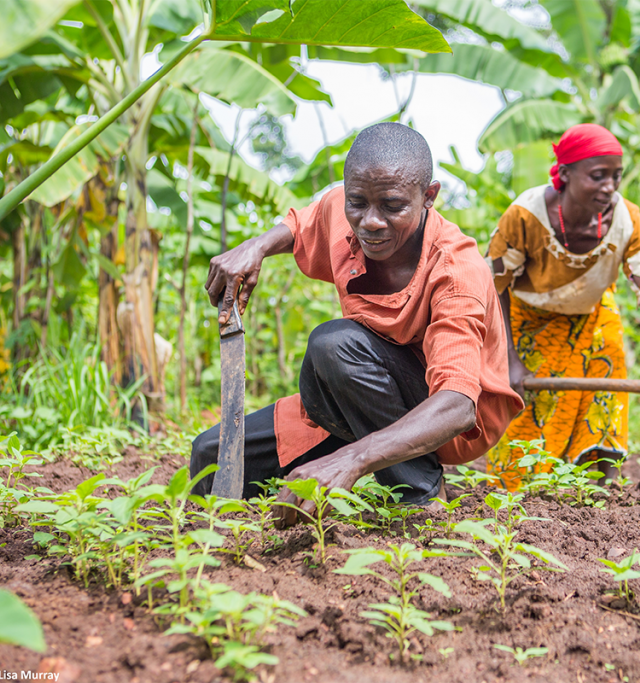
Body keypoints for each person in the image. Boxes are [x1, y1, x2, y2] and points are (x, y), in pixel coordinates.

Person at [192, 123, 523, 523]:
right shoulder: (346, 210)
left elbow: (457, 406)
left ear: (429, 197)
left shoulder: (456, 273)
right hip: (358, 396)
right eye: (358, 203)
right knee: (211, 457)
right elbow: (301, 224)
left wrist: (350, 460)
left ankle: (419, 494)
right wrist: (256, 246)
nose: (371, 221)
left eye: (392, 206)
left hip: (446, 421)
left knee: (334, 345)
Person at [485, 124, 640, 489]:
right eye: (598, 176)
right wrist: (509, 358)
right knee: (530, 414)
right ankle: (520, 492)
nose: (610, 186)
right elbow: (494, 287)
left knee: (607, 388)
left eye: (616, 176)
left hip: (594, 316)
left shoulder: (628, 220)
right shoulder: (525, 216)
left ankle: (604, 492)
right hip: (528, 319)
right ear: (565, 174)